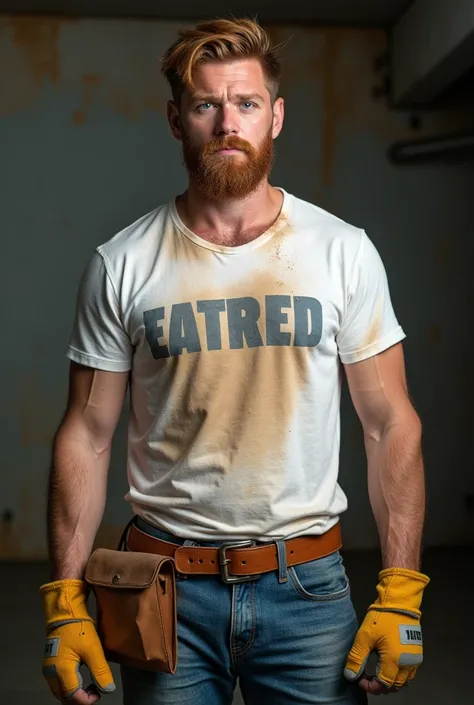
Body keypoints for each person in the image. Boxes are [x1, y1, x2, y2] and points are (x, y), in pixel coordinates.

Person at [40, 17, 429, 705]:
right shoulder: (122, 263)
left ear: (275, 116)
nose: (227, 122)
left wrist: (401, 589)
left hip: (307, 590)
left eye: (246, 103)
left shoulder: (341, 251)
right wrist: (66, 600)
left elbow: (388, 421)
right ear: (175, 120)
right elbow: (86, 432)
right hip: (165, 590)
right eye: (205, 105)